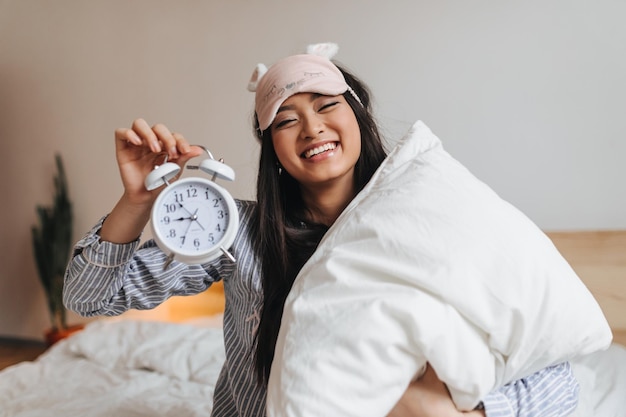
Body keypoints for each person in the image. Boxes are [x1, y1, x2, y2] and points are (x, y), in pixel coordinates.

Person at [63, 43, 580, 417]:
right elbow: (89, 298)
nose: (312, 128)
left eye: (326, 105)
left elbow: (552, 360)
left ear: (359, 117)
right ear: (273, 152)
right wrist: (136, 201)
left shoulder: (427, 220)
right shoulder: (236, 233)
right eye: (286, 120)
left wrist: (458, 410)